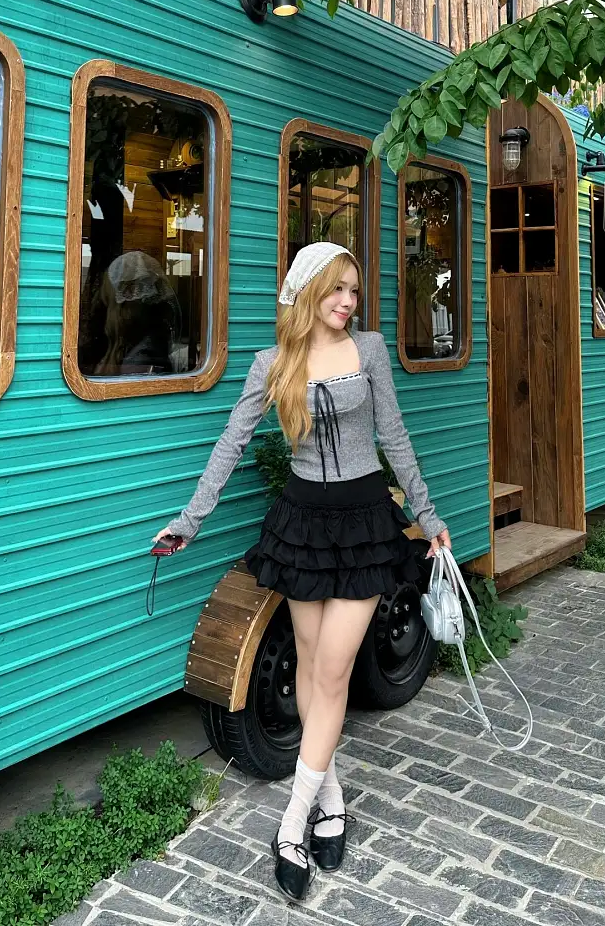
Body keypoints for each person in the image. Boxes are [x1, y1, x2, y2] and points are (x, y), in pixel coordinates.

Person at [152, 241, 451, 902]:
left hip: (365, 524)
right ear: (308, 291)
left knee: (334, 672)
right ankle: (332, 800)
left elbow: (395, 436)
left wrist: (427, 515)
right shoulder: (274, 363)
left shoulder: (369, 350)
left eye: (354, 290)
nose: (348, 301)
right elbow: (231, 441)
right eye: (336, 288)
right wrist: (189, 520)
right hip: (303, 527)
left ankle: (291, 825)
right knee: (314, 671)